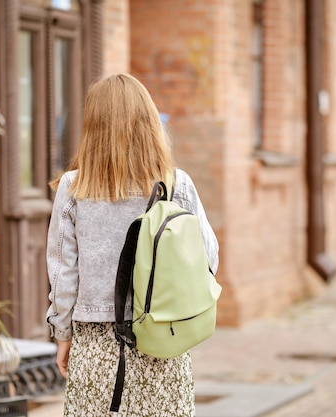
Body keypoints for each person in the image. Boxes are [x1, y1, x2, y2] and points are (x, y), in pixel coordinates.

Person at [46, 73, 219, 416]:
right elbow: (208, 257)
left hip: (96, 347)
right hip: (163, 341)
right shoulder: (176, 184)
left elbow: (65, 273)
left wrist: (63, 335)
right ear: (149, 122)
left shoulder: (73, 188)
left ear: (93, 127)